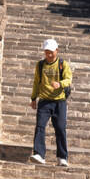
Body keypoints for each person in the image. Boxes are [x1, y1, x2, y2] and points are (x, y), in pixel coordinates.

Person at [31, 38, 72, 167]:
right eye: (46, 52)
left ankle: (62, 156)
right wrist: (33, 98)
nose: (49, 55)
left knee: (60, 128)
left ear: (56, 51)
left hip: (59, 102)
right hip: (44, 101)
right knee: (40, 126)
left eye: (51, 52)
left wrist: (60, 84)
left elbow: (68, 79)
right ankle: (39, 154)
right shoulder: (40, 65)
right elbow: (36, 82)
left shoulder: (62, 64)